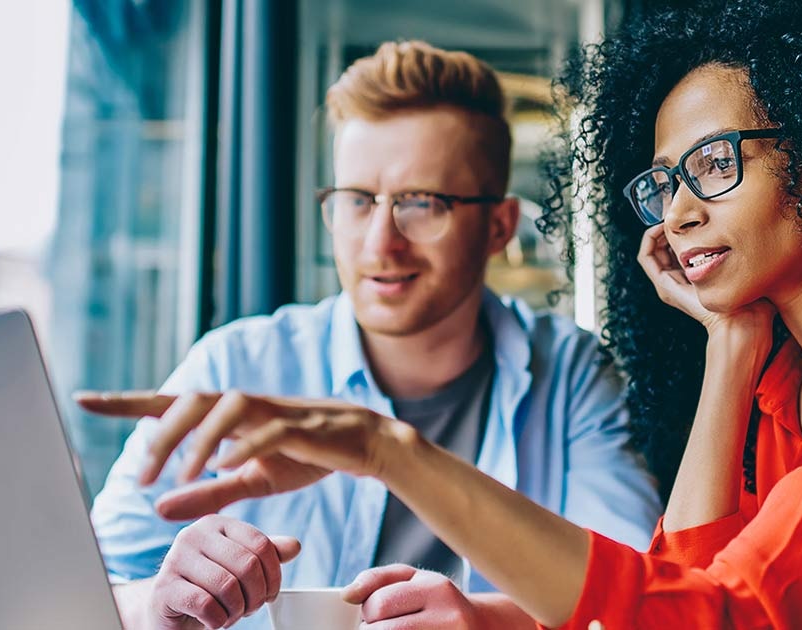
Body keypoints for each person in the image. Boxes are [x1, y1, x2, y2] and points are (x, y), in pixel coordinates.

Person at [79, 1, 802, 627]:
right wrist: (729, 346)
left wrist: (391, 452)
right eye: (663, 182)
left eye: (715, 164)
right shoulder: (779, 390)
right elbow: (679, 588)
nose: (678, 212)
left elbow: (728, 616)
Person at [85, 40, 662, 630]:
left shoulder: (569, 374)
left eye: (422, 204)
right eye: (357, 201)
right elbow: (87, 587)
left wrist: (486, 623)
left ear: (499, 226)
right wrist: (157, 601)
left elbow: (642, 596)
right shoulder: (235, 366)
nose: (380, 243)